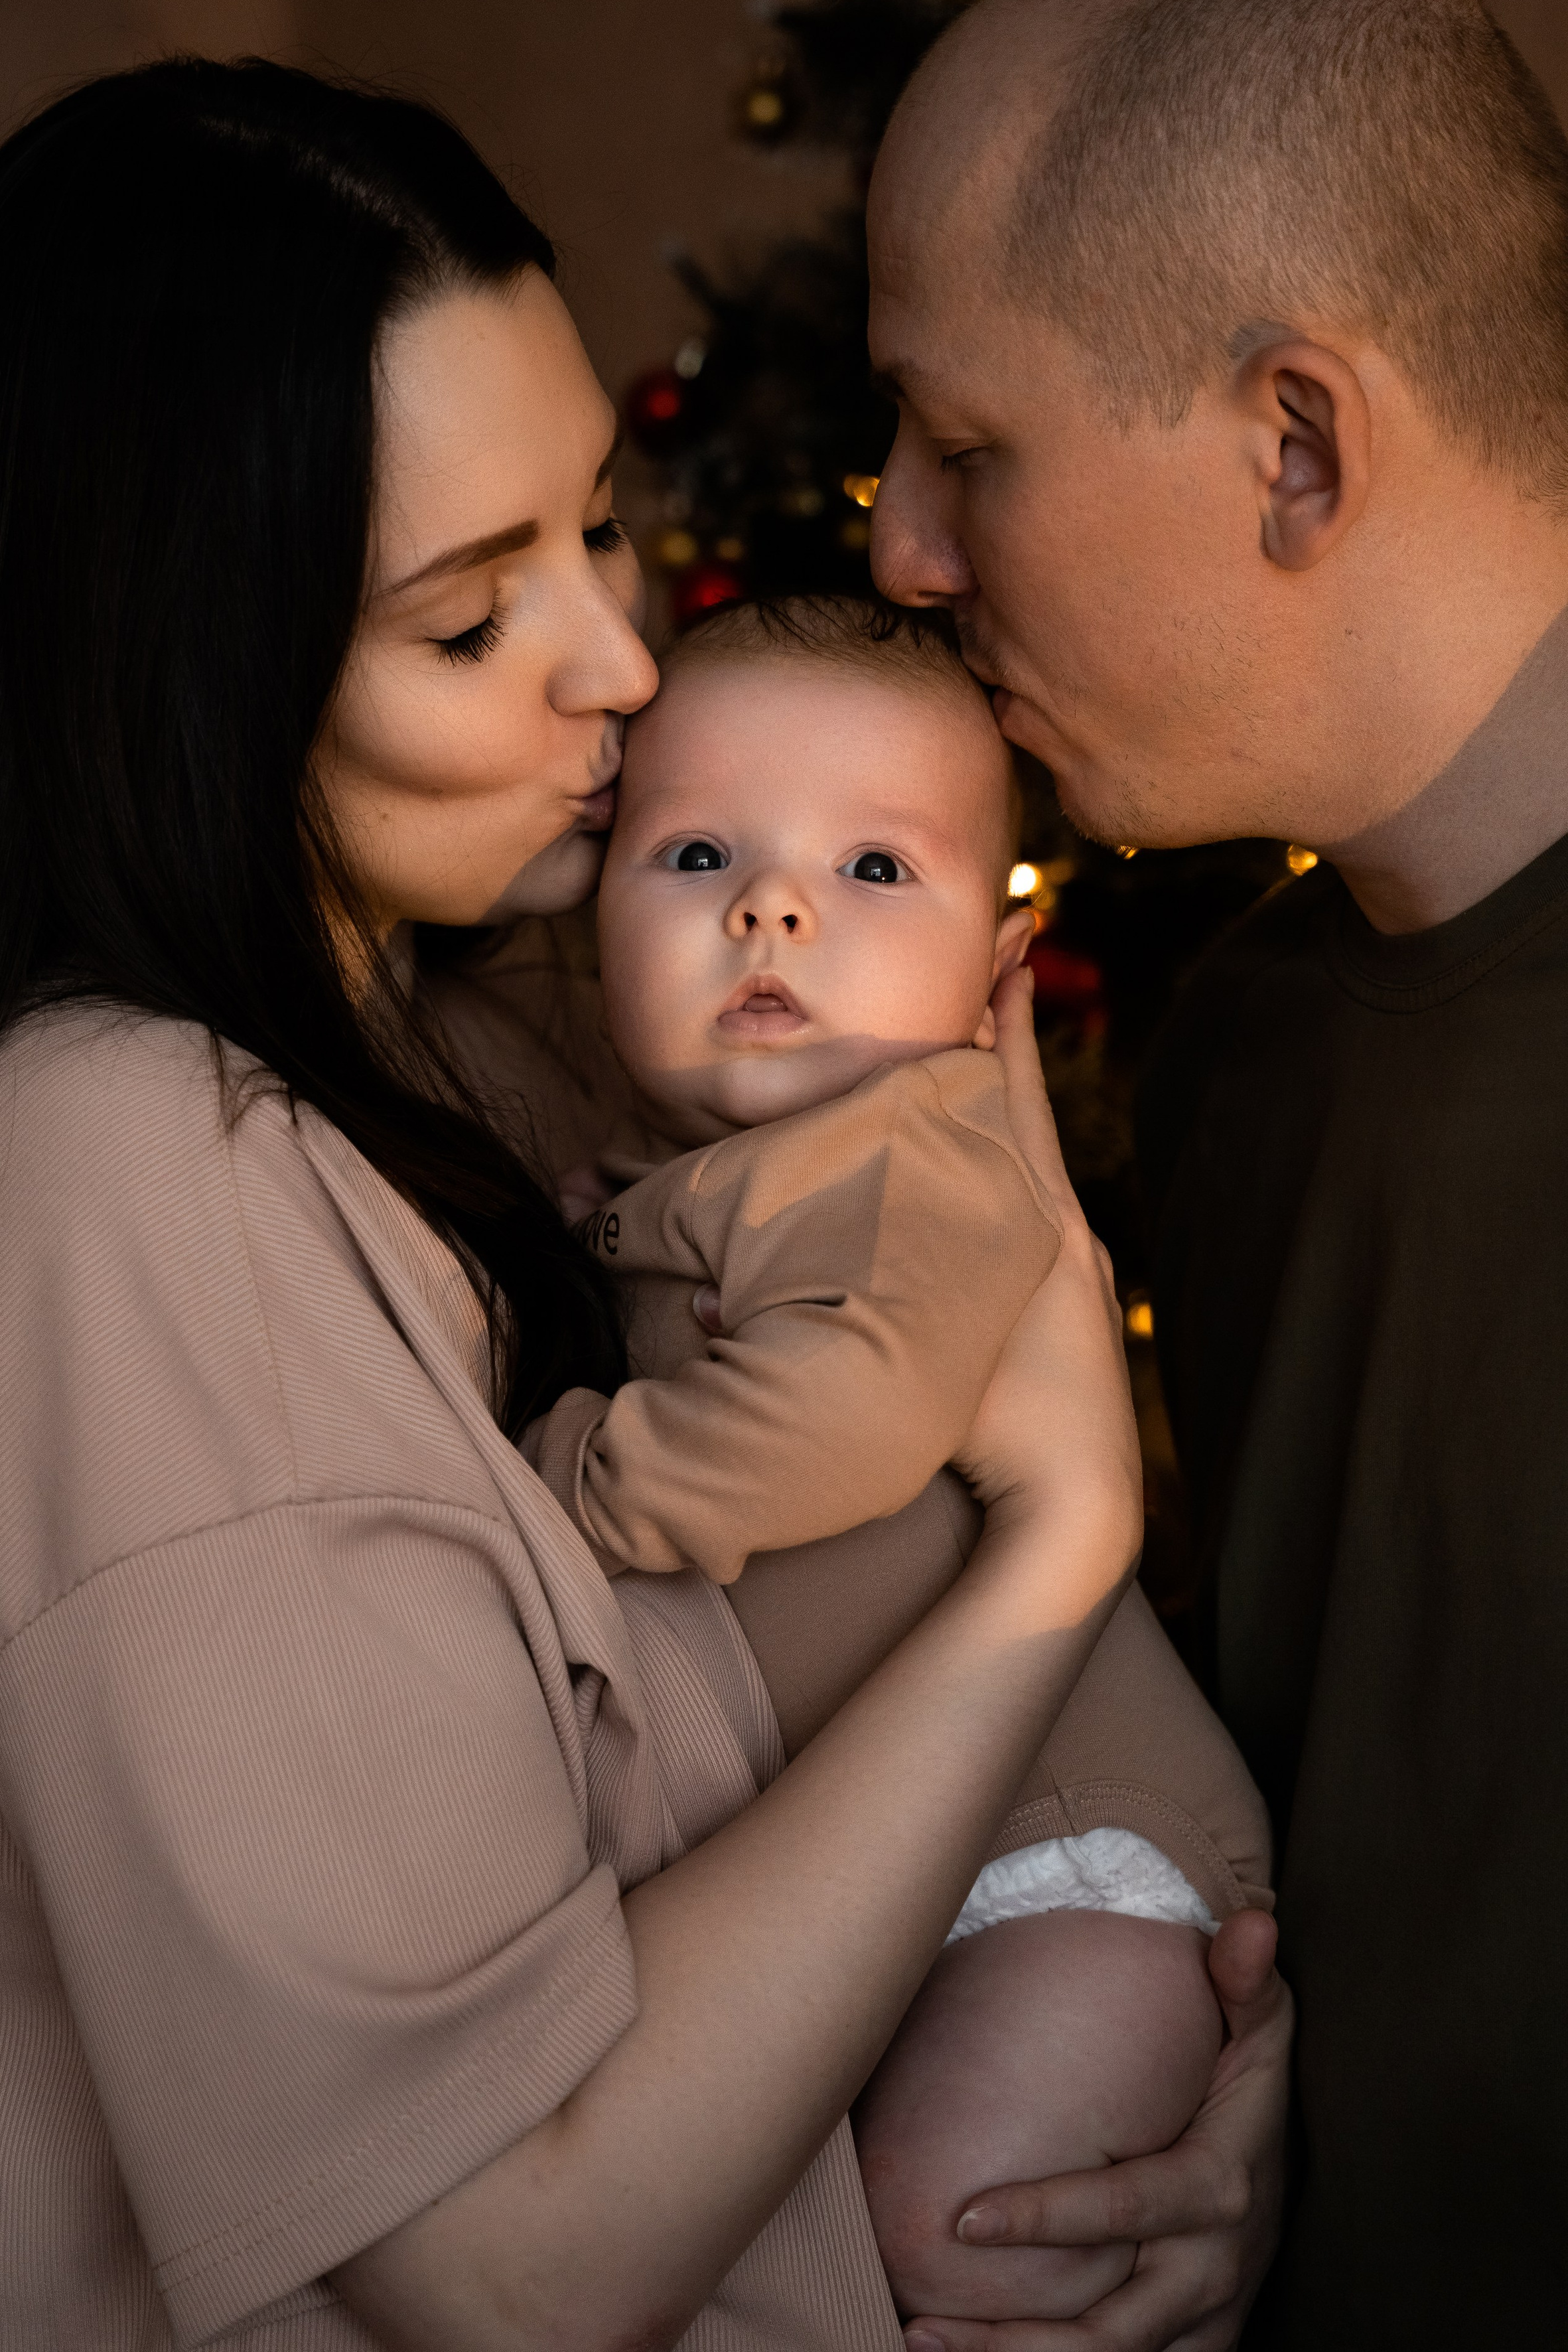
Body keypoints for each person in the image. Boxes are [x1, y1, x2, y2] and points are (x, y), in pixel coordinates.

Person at [0, 56, 1152, 2352]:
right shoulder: (127, 1191)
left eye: (600, 522)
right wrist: (1055, 1549)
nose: (623, 662)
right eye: (471, 621)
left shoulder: (501, 1018)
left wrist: (1146, 2123)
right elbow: (509, 2255)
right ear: (185, 669)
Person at [867, 0, 1568, 2352]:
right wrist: (1253, 2113)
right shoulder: (1234, 1047)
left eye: (971, 443)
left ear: (1297, 439)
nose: (899, 540)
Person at [537, 588, 1273, 2332]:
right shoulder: (706, 1171)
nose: (773, 905)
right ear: (597, 917)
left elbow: (844, 1410)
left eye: (877, 869)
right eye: (699, 848)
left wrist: (574, 1480)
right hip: (895, 1852)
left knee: (957, 2235)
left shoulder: (919, 1143)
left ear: (998, 966)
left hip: (1060, 1856)